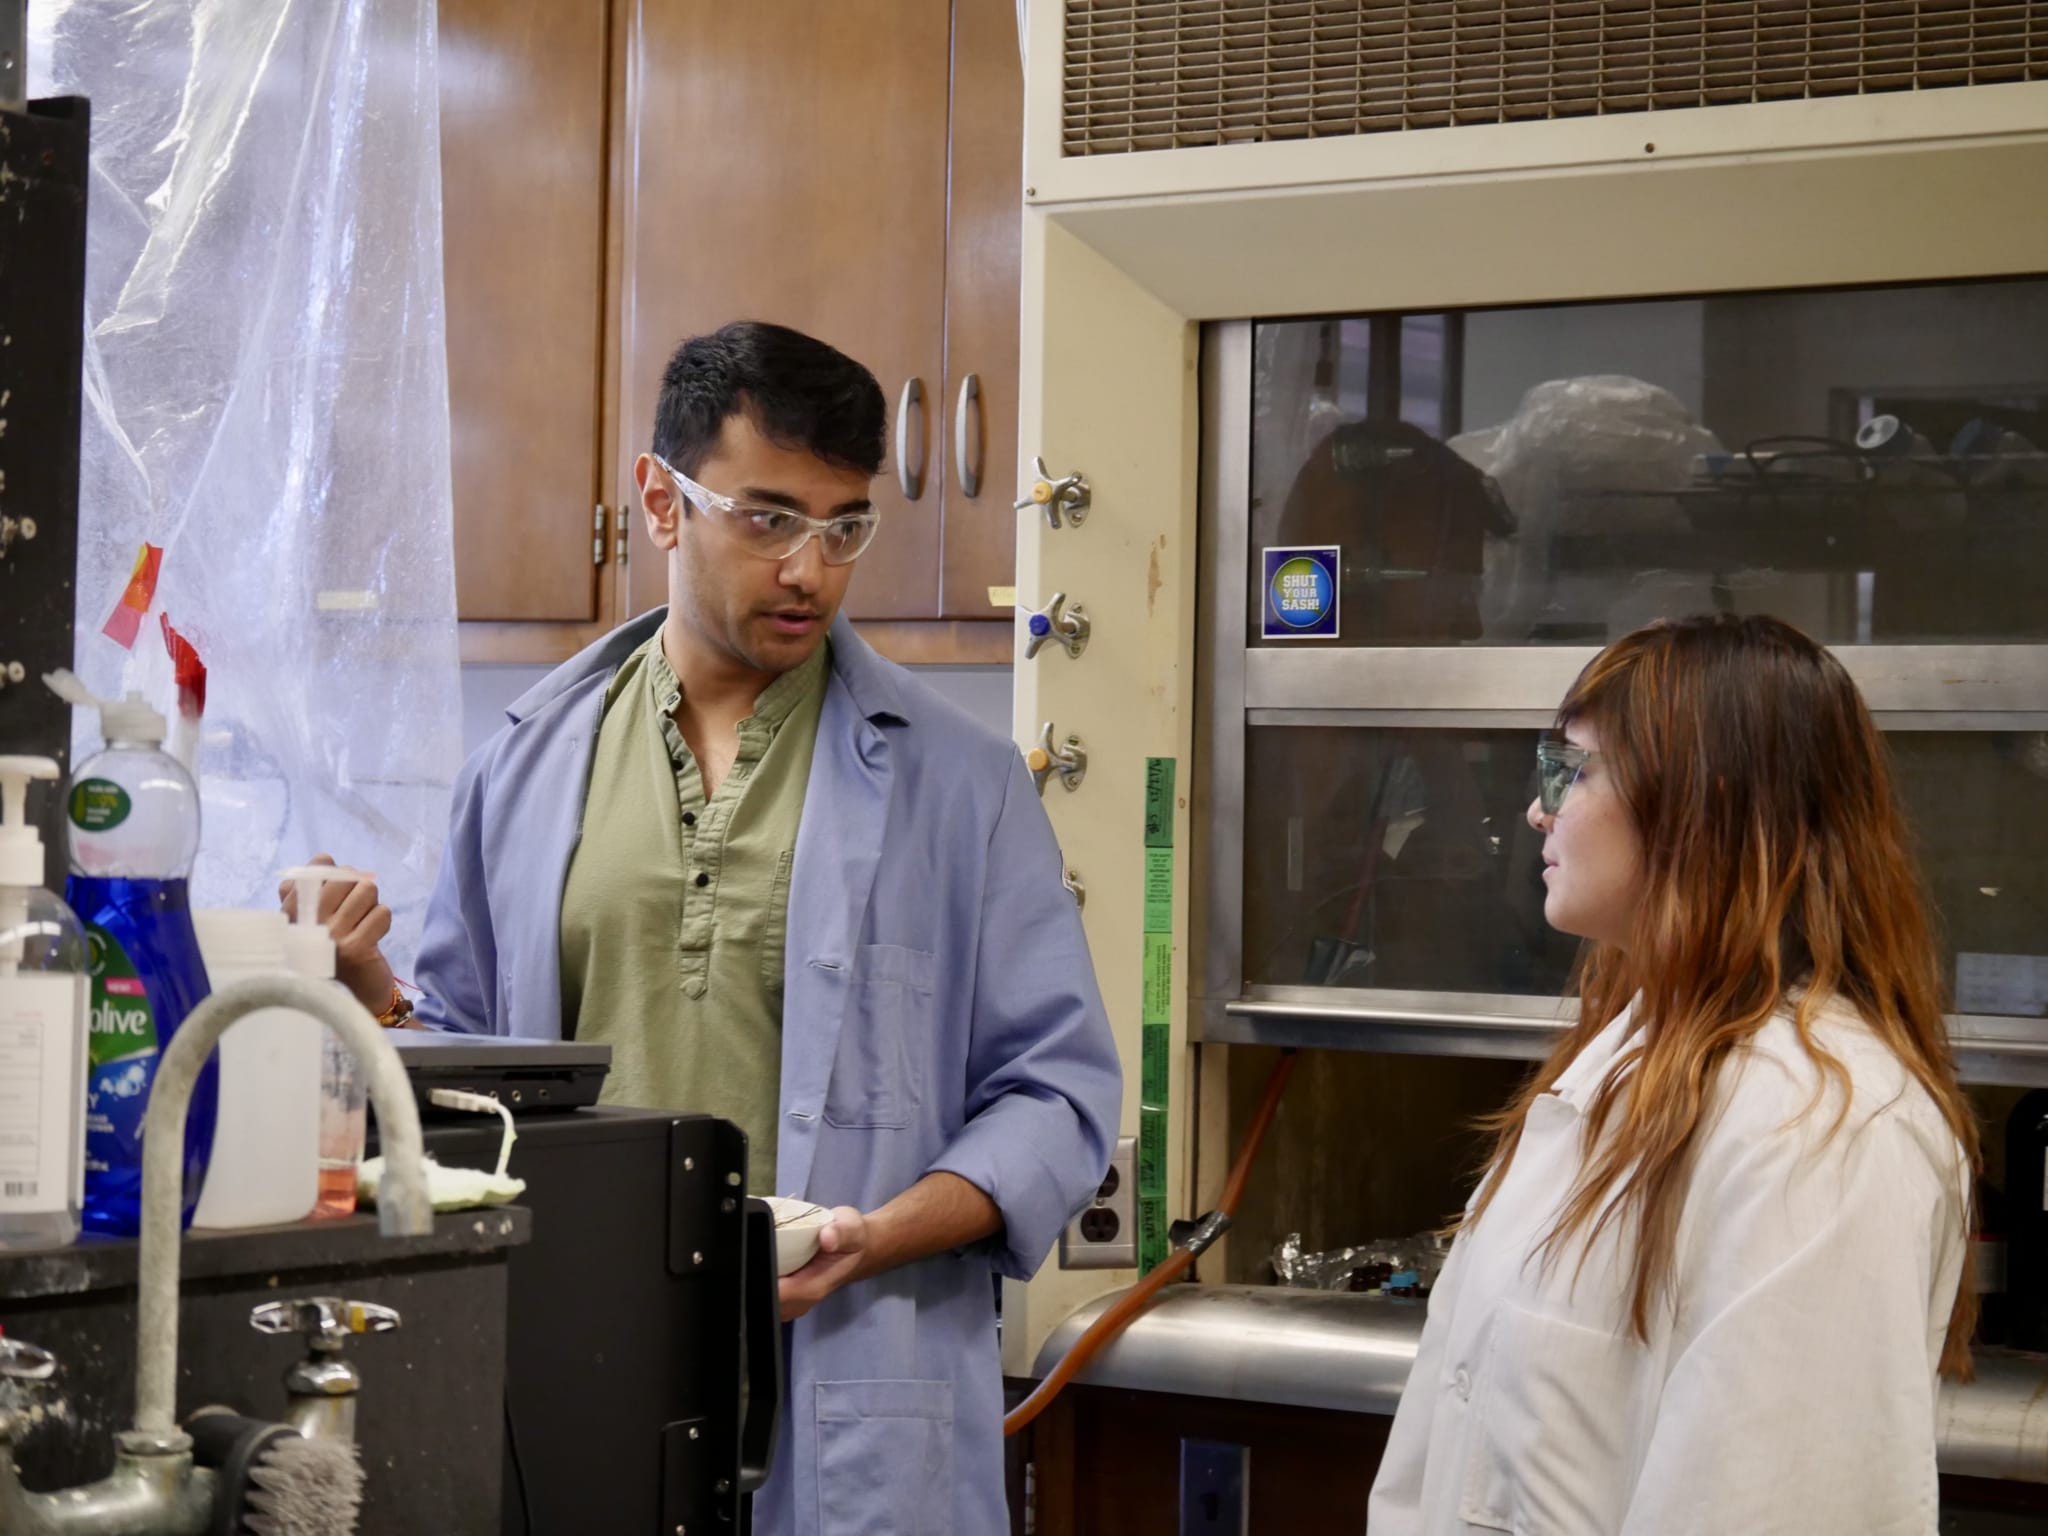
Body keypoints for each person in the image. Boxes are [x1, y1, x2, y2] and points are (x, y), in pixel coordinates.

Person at [290, 320, 1121, 1534]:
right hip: (575, 1377)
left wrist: (876, 1235)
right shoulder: (524, 767)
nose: (810, 572)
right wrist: (370, 991)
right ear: (659, 503)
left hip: (848, 1394)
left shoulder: (963, 784)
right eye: (769, 517)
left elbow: (1059, 1096)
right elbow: (476, 1086)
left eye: (844, 528)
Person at [1367, 613, 1978, 1534]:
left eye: (1571, 771)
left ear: (1701, 802)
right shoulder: (1629, 1052)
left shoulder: (1823, 1129)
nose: (1539, 809)